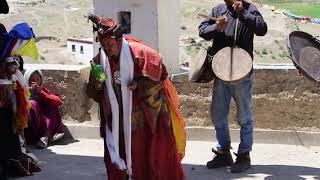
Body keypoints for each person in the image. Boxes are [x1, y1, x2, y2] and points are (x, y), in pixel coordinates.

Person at [86, 15, 186, 180]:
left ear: (119, 40)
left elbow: (161, 74)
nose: (106, 49)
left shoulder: (139, 53)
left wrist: (140, 85)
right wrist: (97, 87)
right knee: (120, 159)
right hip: (118, 122)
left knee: (149, 159)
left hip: (144, 120)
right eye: (103, 45)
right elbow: (94, 92)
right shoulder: (100, 62)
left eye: (109, 44)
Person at [198, 0, 267, 173]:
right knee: (218, 114)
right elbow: (202, 31)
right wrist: (217, 27)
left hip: (242, 74)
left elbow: (262, 29)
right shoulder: (218, 9)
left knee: (244, 116)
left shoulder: (250, 9)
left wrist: (243, 12)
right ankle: (223, 152)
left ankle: (244, 154)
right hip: (221, 72)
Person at [24, 69, 65, 148]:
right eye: (32, 79)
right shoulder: (24, 92)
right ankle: (37, 138)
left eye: (37, 79)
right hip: (31, 128)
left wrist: (41, 93)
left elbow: (58, 101)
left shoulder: (42, 91)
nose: (35, 82)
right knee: (32, 104)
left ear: (41, 80)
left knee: (51, 104)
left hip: (46, 126)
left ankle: (46, 136)